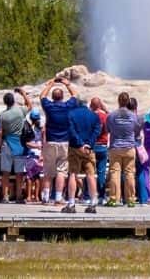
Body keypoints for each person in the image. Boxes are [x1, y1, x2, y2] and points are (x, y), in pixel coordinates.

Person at [39, 74, 79, 206]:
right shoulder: (68, 106)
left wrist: (50, 84)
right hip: (64, 142)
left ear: (53, 97)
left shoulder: (48, 107)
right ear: (62, 97)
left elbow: (42, 97)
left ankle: (45, 198)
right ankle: (57, 198)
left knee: (48, 171)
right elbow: (75, 96)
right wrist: (67, 83)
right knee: (61, 171)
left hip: (50, 141)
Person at [64, 96, 104, 214]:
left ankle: (71, 203)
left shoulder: (70, 114)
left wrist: (80, 144)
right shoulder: (94, 115)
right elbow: (97, 131)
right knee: (90, 175)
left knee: (72, 173)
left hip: (75, 147)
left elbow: (71, 131)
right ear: (87, 104)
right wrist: (88, 144)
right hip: (89, 149)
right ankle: (93, 203)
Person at [105, 91, 141, 207]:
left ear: (118, 101)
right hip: (129, 146)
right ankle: (130, 199)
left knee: (115, 173)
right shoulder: (133, 116)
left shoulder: (111, 115)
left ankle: (114, 198)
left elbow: (108, 130)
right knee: (129, 173)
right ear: (128, 101)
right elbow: (136, 131)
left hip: (115, 146)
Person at [0, 90, 29, 204]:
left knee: (5, 172)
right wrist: (23, 94)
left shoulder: (2, 115)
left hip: (7, 143)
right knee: (19, 173)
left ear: (5, 102)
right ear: (14, 101)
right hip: (19, 143)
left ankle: (5, 196)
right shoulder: (20, 111)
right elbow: (29, 105)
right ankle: (19, 196)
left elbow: (0, 132)